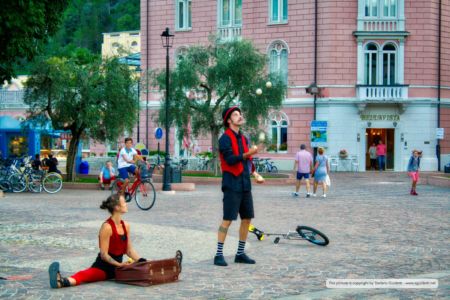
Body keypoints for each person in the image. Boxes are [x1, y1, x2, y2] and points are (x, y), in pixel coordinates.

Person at [48, 194, 175, 288]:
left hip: (117, 270)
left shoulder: (126, 226)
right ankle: (61, 282)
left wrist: (142, 261)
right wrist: (119, 264)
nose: (126, 204)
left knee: (145, 265)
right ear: (117, 207)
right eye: (124, 202)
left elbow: (129, 250)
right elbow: (104, 255)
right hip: (103, 268)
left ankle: (172, 267)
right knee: (84, 275)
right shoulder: (106, 227)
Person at [214, 106, 259, 267]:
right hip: (231, 183)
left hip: (244, 183)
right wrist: (248, 154)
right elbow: (231, 159)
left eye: (240, 113)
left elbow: (246, 162)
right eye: (235, 114)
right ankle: (218, 254)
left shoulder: (244, 138)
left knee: (247, 218)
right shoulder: (224, 138)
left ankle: (240, 253)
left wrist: (255, 173)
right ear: (228, 120)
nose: (239, 116)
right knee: (227, 220)